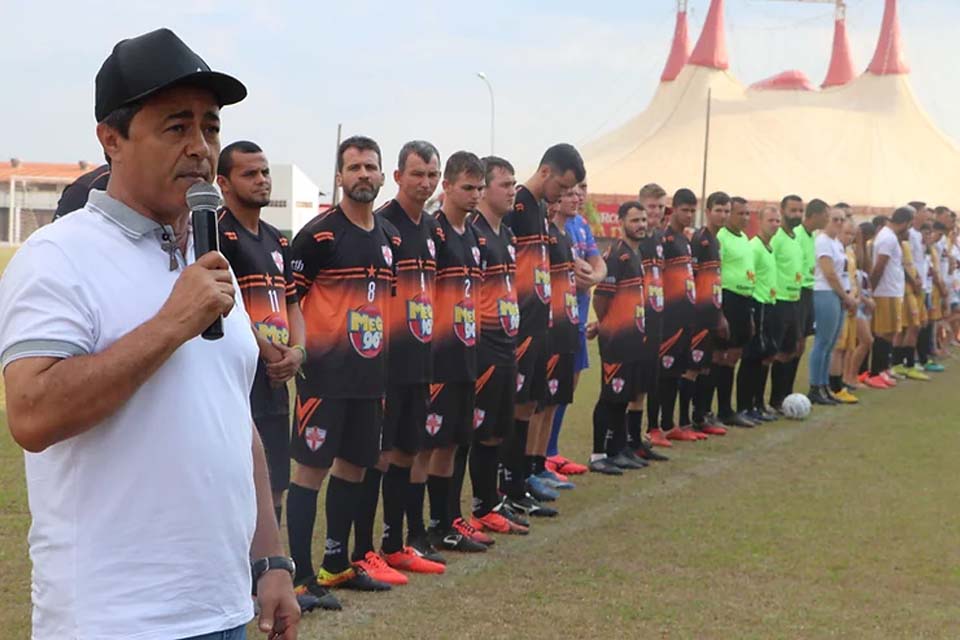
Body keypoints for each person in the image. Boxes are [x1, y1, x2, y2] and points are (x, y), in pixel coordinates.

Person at [0, 28, 300, 639]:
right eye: (176, 127)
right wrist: (169, 325)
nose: (200, 148)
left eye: (210, 128)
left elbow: (231, 417)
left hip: (221, 609)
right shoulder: (58, 257)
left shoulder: (207, 261)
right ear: (111, 139)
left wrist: (269, 560)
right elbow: (31, 414)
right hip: (113, 619)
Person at [287, 135, 398, 606]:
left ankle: (335, 565)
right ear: (339, 176)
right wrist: (303, 349)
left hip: (371, 377)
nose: (363, 176)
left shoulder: (388, 238)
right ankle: (300, 576)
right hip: (326, 376)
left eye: (371, 167)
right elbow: (290, 295)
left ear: (381, 174)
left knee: (354, 468)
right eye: (354, 168)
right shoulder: (318, 236)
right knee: (310, 471)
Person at [365, 141, 447, 577]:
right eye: (417, 174)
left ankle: (399, 541)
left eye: (432, 175)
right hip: (387, 362)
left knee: (410, 451)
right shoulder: (383, 225)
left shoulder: (433, 229)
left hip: (422, 359)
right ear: (397, 176)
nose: (426, 183)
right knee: (380, 454)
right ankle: (366, 547)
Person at [500, 144, 584, 518]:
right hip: (515, 327)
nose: (564, 195)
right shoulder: (517, 205)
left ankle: (522, 480)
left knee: (531, 403)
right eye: (562, 186)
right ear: (546, 172)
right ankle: (508, 487)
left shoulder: (537, 211)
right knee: (515, 408)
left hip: (540, 327)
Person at [421, 151, 489, 552]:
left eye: (479, 188)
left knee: (459, 439)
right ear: (446, 186)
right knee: (435, 442)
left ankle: (450, 518)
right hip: (439, 354)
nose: (475, 195)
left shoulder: (475, 236)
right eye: (467, 187)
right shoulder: (435, 232)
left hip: (468, 352)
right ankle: (434, 522)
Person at [469, 156, 530, 536]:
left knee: (496, 429)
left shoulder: (506, 235)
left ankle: (490, 502)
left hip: (507, 344)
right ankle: (476, 506)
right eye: (505, 184)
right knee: (476, 430)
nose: (512, 191)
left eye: (513, 184)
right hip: (482, 346)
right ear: (483, 189)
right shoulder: (473, 234)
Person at [546, 180, 603, 477]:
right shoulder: (548, 226)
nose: (578, 194)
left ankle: (552, 451)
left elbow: (598, 263)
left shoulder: (581, 224)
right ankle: (540, 457)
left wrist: (592, 277)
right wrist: (574, 268)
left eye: (583, 188)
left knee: (567, 389)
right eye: (572, 189)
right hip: (555, 322)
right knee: (548, 393)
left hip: (577, 320)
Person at [589, 201, 651, 474]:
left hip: (633, 339)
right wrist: (607, 324)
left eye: (643, 220)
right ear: (621, 222)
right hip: (616, 338)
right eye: (635, 220)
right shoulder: (616, 255)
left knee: (623, 396)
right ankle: (598, 454)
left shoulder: (634, 254)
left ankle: (617, 449)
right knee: (610, 396)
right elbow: (601, 298)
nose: (641, 225)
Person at [658, 188, 706, 441]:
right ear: (673, 209)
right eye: (685, 210)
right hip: (668, 318)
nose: (689, 215)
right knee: (663, 374)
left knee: (677, 372)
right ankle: (656, 426)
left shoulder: (685, 241)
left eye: (692, 211)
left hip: (685, 317)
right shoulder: (664, 240)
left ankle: (670, 424)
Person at [689, 192, 731, 436]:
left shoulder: (716, 241)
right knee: (697, 366)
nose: (723, 215)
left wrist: (720, 312)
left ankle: (702, 412)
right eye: (719, 210)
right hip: (699, 313)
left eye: (727, 211)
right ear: (708, 211)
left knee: (709, 363)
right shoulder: (700, 239)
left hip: (712, 310)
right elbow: (692, 278)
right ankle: (694, 416)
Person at [714, 196, 757, 427]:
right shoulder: (721, 238)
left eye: (747, 214)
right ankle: (720, 409)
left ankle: (728, 408)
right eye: (740, 213)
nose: (745, 218)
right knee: (722, 356)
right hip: (727, 299)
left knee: (735, 355)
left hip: (743, 301)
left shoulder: (744, 239)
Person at [737, 205, 782, 421]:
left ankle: (758, 403)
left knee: (765, 355)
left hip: (770, 304)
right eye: (770, 220)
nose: (774, 224)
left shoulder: (769, 247)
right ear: (760, 221)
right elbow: (749, 276)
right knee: (752, 356)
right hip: (758, 304)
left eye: (777, 221)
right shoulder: (754, 247)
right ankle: (746, 406)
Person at [809, 207, 857, 404]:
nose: (838, 223)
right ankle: (815, 386)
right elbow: (829, 273)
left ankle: (824, 384)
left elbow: (843, 272)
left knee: (831, 343)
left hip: (838, 294)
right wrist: (845, 297)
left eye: (841, 219)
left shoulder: (836, 242)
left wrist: (846, 295)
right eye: (834, 219)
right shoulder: (822, 241)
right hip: (825, 292)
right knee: (822, 341)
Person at [636, 183, 669, 447]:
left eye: (660, 207)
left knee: (650, 376)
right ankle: (629, 437)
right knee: (636, 380)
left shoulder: (658, 238)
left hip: (657, 315)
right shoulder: (636, 241)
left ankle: (646, 432)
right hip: (639, 317)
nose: (656, 212)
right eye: (651, 207)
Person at [868, 207, 914, 383]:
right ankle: (876, 371)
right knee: (884, 332)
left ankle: (883, 369)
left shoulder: (890, 236)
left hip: (892, 290)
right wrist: (872, 289)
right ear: (906, 222)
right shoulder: (888, 238)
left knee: (890, 331)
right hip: (885, 291)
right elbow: (880, 266)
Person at [768, 195, 806, 411]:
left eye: (800, 211)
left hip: (795, 301)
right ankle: (775, 399)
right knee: (779, 353)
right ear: (782, 211)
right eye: (793, 210)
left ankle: (786, 396)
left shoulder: (795, 238)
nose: (797, 215)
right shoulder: (777, 238)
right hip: (779, 301)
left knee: (793, 349)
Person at [890, 204, 930, 381]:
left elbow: (914, 262)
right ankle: (904, 364)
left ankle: (903, 364)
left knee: (914, 325)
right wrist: (913, 280)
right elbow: (903, 264)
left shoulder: (913, 236)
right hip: (908, 287)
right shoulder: (905, 238)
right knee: (911, 325)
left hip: (916, 286)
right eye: (922, 213)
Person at [826, 218, 861, 403]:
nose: (849, 237)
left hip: (850, 301)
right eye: (846, 233)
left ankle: (840, 382)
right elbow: (834, 276)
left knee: (846, 346)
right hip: (840, 301)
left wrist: (856, 298)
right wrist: (846, 298)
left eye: (852, 234)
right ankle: (835, 386)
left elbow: (852, 278)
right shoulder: (834, 250)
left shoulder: (849, 252)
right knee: (836, 347)